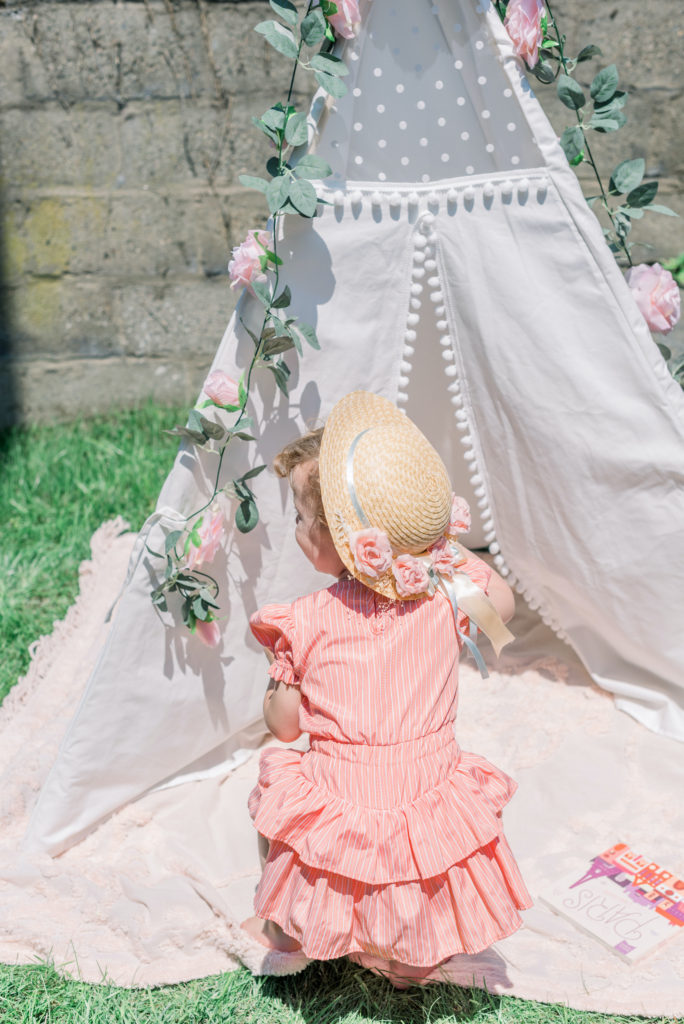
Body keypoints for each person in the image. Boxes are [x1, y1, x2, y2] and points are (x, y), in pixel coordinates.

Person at [241, 391, 532, 986]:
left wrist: (282, 676)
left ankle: (295, 933)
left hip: (344, 791)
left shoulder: (306, 617)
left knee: (306, 823)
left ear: (336, 540)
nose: (296, 530)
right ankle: (416, 957)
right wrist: (445, 559)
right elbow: (503, 611)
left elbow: (287, 726)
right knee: (422, 860)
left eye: (300, 519)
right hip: (424, 785)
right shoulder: (443, 596)